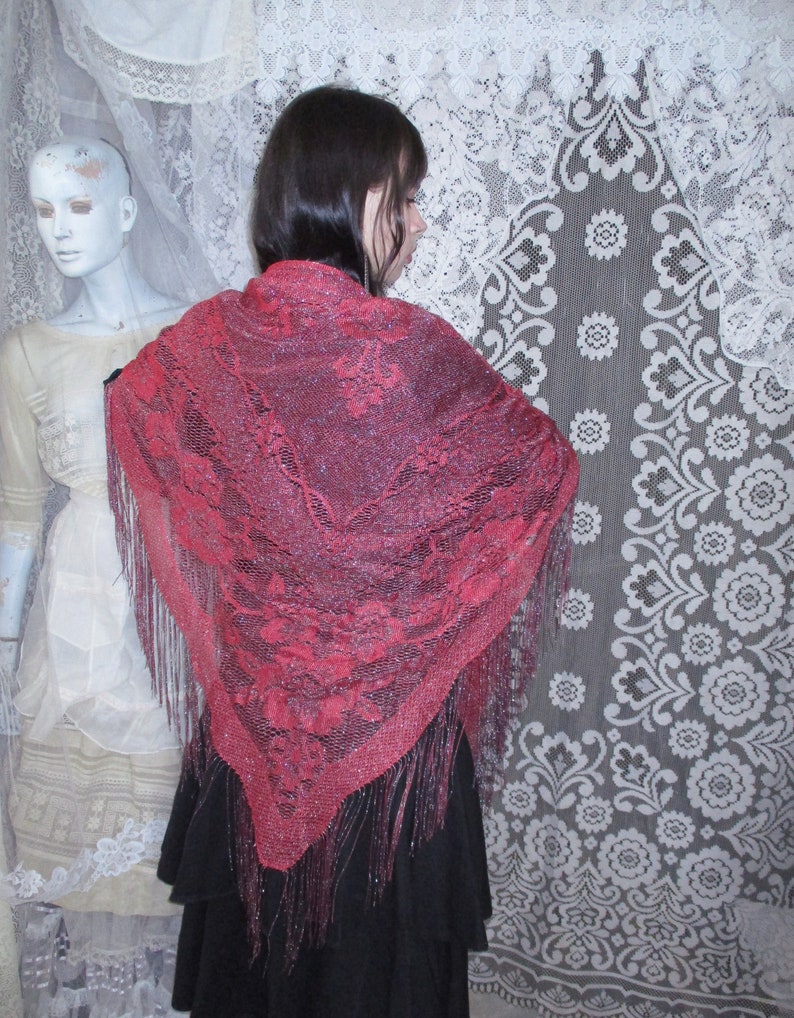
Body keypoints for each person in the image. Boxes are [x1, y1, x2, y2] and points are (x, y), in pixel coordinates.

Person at [105, 86, 579, 1018]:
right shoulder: (414, 353)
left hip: (255, 730)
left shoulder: (205, 346)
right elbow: (540, 465)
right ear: (346, 191)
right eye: (401, 195)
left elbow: (132, 402)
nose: (417, 220)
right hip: (391, 765)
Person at [0, 137, 188, 1014]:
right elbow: (12, 516)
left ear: (126, 210)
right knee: (70, 873)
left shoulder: (196, 331)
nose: (58, 230)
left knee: (165, 865)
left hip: (168, 619)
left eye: (79, 205)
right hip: (69, 620)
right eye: (42, 210)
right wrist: (3, 650)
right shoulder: (28, 351)